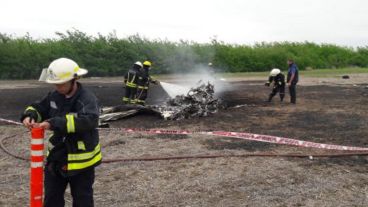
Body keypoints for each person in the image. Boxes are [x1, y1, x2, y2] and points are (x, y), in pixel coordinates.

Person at [20, 57, 102, 207]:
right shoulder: (55, 96)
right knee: (52, 198)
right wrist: (29, 115)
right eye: (55, 84)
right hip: (57, 158)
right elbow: (40, 107)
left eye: (61, 84)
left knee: (82, 199)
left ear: (74, 79)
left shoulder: (87, 99)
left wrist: (54, 123)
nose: (58, 87)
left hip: (81, 161)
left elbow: (89, 120)